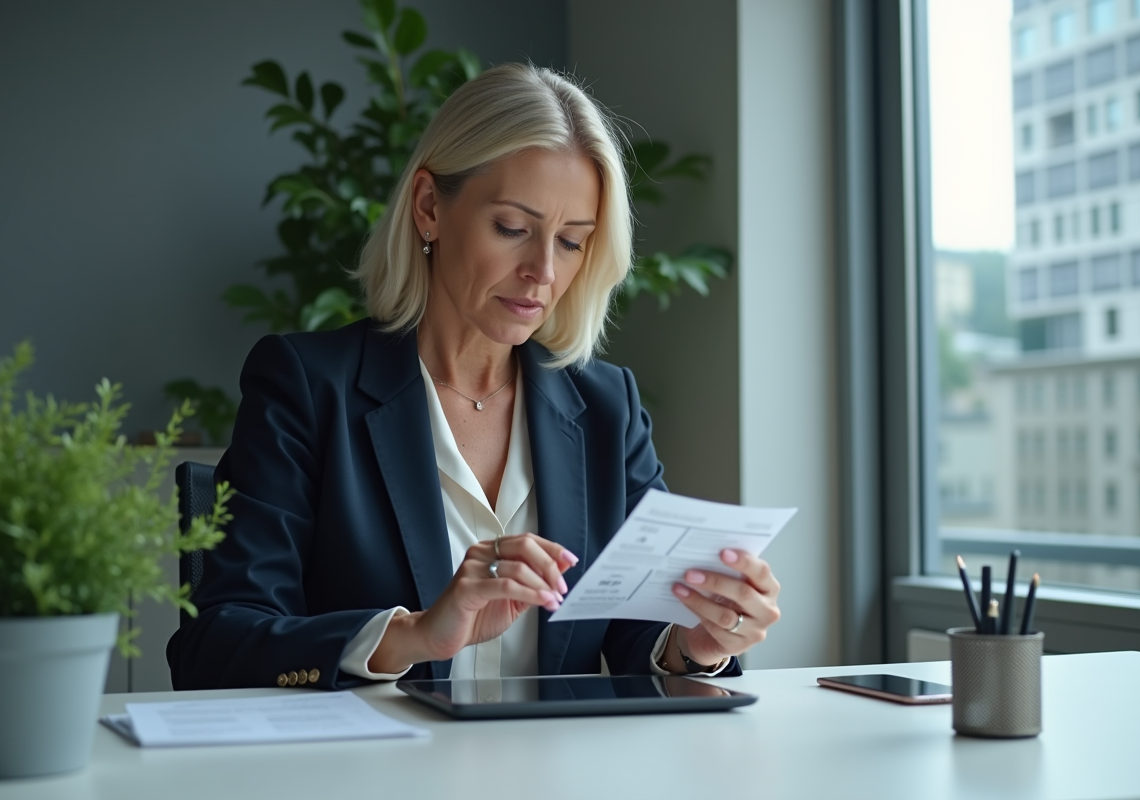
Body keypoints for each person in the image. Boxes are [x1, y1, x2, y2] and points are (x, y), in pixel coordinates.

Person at [166, 63, 781, 691]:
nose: (543, 269)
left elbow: (633, 633)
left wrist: (694, 642)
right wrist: (414, 633)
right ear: (430, 206)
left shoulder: (606, 407)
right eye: (513, 229)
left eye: (572, 242)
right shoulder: (305, 386)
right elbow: (216, 643)